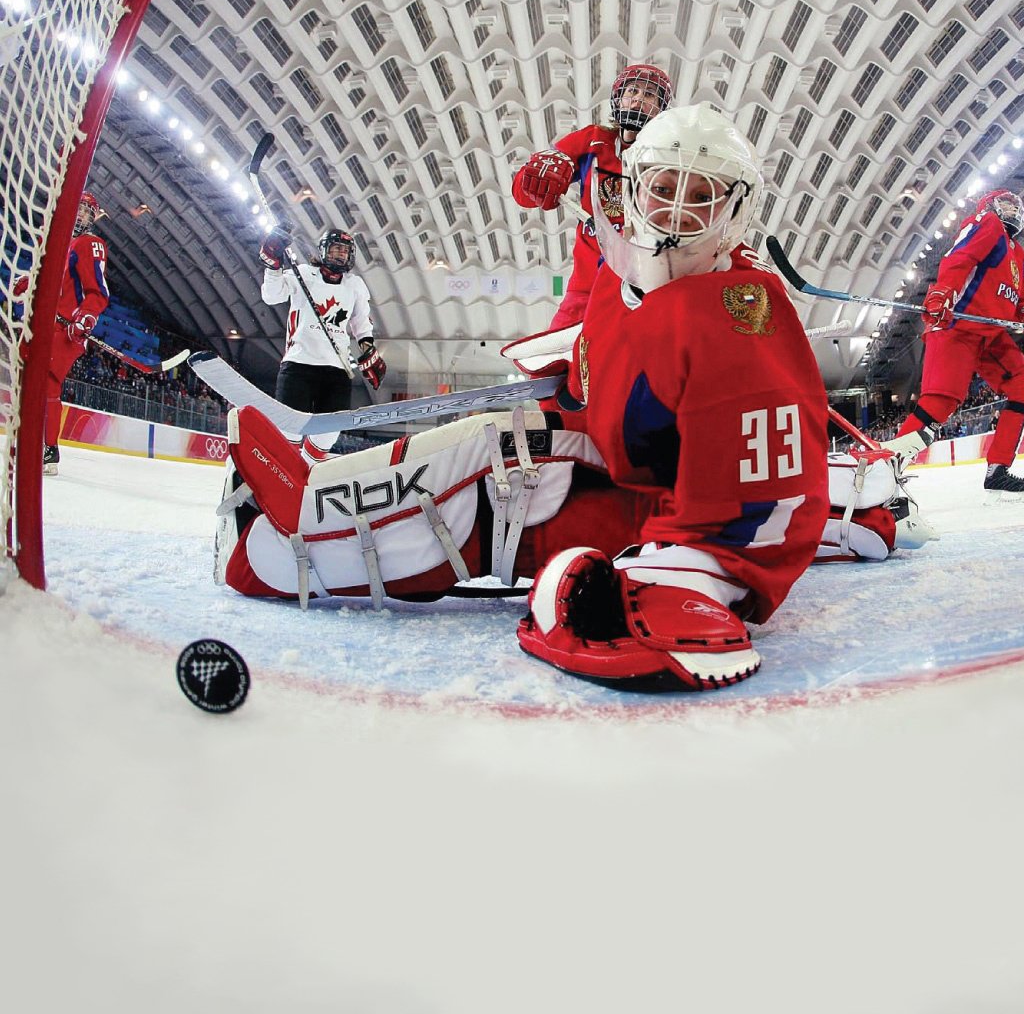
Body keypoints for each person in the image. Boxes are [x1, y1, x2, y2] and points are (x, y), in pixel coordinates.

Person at [214, 104, 930, 693]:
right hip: (636, 473)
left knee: (505, 474)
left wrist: (685, 581)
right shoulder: (634, 279)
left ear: (736, 209)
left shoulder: (741, 307)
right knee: (510, 434)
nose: (677, 211)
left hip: (655, 513)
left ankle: (286, 545)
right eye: (663, 188)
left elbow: (762, 494)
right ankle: (317, 497)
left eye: (701, 194)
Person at [888, 188, 1024, 500]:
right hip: (957, 324)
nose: (1011, 209)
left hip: (990, 333)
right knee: (940, 404)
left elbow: (1016, 304)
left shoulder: (1018, 256)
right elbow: (960, 257)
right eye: (1005, 203)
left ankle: (998, 471)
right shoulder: (986, 224)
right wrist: (943, 291)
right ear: (990, 205)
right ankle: (885, 472)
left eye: (1014, 204)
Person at [504, 63, 672, 373]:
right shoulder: (594, 140)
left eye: (649, 94)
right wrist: (536, 179)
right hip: (587, 286)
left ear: (661, 108)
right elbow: (522, 195)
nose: (638, 100)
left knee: (638, 369)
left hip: (646, 288)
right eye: (632, 91)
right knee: (553, 366)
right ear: (618, 99)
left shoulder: (671, 153)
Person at [257, 226, 385, 461]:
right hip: (299, 365)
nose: (340, 254)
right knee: (289, 429)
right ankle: (284, 470)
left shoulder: (354, 285)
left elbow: (361, 323)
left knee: (329, 432)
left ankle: (307, 469)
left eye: (345, 251)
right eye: (335, 249)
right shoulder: (303, 274)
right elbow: (271, 296)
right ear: (324, 250)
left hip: (337, 369)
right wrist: (273, 266)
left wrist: (368, 350)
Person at [42, 191, 110, 475]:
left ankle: (49, 448)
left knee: (45, 386)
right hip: (45, 325)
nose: (81, 213)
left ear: (93, 217)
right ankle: (38, 441)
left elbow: (98, 291)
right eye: (78, 207)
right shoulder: (61, 243)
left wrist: (85, 317)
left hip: (65, 330)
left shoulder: (90, 243)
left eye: (87, 210)